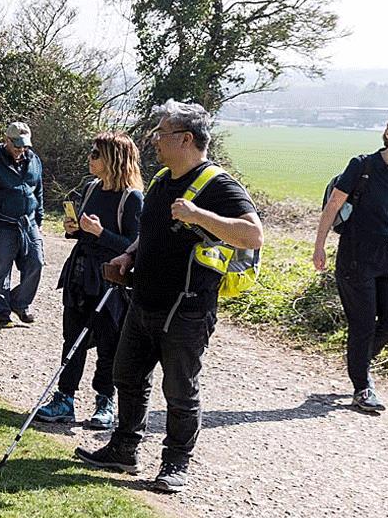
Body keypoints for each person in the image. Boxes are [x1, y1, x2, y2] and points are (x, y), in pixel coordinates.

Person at [76, 100, 263, 494]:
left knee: (179, 390)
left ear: (186, 139)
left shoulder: (219, 185)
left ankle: (175, 464)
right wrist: (128, 255)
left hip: (189, 308)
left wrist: (199, 216)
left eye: (161, 134)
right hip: (144, 297)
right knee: (127, 376)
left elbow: (252, 235)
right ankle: (123, 450)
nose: (155, 141)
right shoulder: (162, 180)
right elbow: (152, 231)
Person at [311, 110, 388, 412]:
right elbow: (333, 204)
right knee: (362, 324)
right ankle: (362, 387)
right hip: (357, 254)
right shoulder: (362, 165)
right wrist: (320, 246)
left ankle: (358, 361)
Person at [33, 132, 145, 430]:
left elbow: (135, 245)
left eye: (96, 153)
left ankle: (104, 401)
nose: (90, 157)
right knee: (73, 339)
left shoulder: (132, 198)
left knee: (110, 343)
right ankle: (64, 400)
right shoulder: (91, 187)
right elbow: (81, 233)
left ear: (114, 159)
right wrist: (73, 229)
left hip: (110, 280)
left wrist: (99, 234)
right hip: (80, 274)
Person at [0, 121, 45, 326]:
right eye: (16, 144)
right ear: (6, 140)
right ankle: (1, 312)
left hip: (28, 223)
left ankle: (19, 303)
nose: (20, 149)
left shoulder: (34, 161)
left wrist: (39, 218)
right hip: (1, 224)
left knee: (36, 262)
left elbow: (38, 190)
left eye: (24, 145)